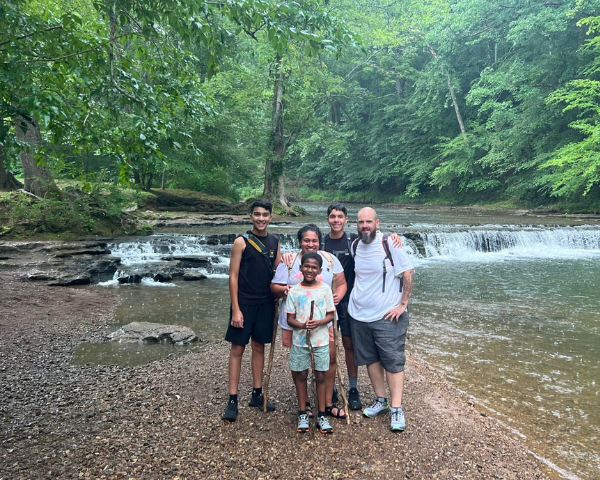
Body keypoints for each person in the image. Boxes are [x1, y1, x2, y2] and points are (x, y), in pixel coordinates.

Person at [321, 202, 402, 411]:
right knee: (325, 346)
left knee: (350, 346)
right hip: (325, 301)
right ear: (328, 219)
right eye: (332, 216)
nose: (336, 220)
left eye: (340, 216)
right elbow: (305, 258)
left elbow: (376, 243)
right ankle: (330, 387)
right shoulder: (321, 243)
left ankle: (353, 388)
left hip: (348, 301)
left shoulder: (353, 242)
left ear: (347, 220)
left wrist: (394, 236)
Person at [348, 207, 414, 431]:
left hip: (387, 315)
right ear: (356, 225)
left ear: (377, 223)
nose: (364, 226)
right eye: (360, 222)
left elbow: (408, 274)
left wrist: (402, 305)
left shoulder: (390, 243)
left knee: (393, 361)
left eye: (368, 222)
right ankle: (381, 400)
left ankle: (396, 409)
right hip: (359, 314)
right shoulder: (355, 245)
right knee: (371, 359)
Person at [272, 224, 347, 420]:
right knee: (299, 362)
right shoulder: (289, 261)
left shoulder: (330, 261)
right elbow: (274, 286)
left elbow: (341, 283)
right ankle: (304, 403)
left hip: (324, 321)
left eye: (314, 240)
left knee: (329, 359)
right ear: (300, 242)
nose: (310, 244)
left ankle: (327, 402)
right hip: (294, 322)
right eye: (306, 240)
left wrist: (337, 296)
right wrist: (285, 291)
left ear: (319, 242)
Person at [222, 199, 281, 422]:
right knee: (237, 349)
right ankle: (232, 399)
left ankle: (257, 394)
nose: (261, 218)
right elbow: (233, 276)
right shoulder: (241, 241)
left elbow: (278, 272)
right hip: (244, 303)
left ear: (271, 217)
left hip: (266, 303)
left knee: (259, 347)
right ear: (250, 216)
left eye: (265, 214)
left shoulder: (275, 241)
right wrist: (236, 309)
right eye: (257, 214)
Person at [285, 252, 336, 434]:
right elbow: (290, 318)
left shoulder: (325, 290)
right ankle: (302, 413)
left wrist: (320, 322)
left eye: (314, 267)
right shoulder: (295, 291)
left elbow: (331, 314)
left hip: (320, 340)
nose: (310, 270)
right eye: (306, 266)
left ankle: (321, 414)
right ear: (300, 268)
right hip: (300, 342)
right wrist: (301, 325)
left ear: (320, 270)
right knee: (301, 375)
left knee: (321, 375)